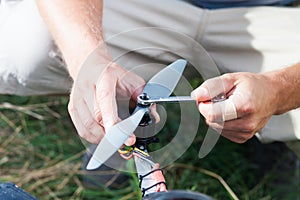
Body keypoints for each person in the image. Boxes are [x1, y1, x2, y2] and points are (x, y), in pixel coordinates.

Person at [0, 0, 299, 188]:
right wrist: (87, 59)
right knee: (24, 51)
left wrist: (280, 91)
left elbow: (284, 86)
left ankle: (274, 136)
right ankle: (114, 119)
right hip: (144, 4)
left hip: (270, 12)